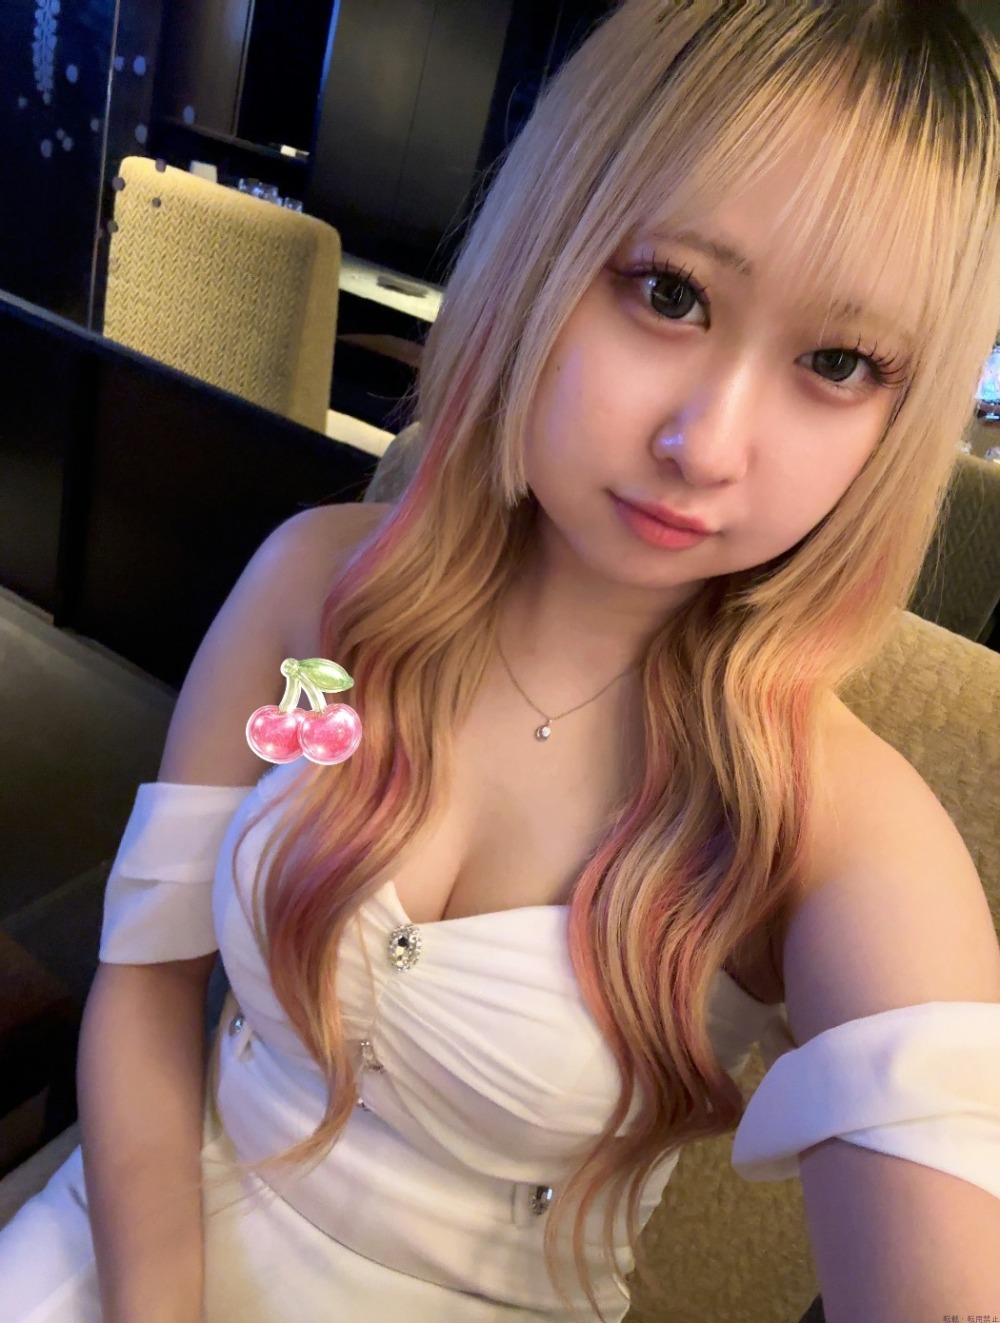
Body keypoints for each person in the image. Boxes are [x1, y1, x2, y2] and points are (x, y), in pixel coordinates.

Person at [3, 1, 1000, 1319]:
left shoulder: (836, 830)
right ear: (547, 245)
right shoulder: (316, 600)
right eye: (669, 293)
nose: (707, 445)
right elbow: (148, 977)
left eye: (838, 362)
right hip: (135, 1242)